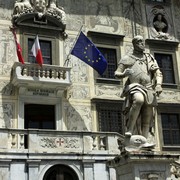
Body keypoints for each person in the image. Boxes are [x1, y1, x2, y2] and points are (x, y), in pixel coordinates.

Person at [115, 35, 163, 138]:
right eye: (139, 41)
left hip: (149, 87)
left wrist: (158, 85)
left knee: (148, 115)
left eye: (143, 41)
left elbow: (158, 73)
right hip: (135, 86)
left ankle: (144, 139)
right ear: (134, 44)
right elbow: (116, 73)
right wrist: (124, 74)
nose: (142, 43)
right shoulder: (127, 58)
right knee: (139, 100)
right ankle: (130, 130)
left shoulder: (149, 58)